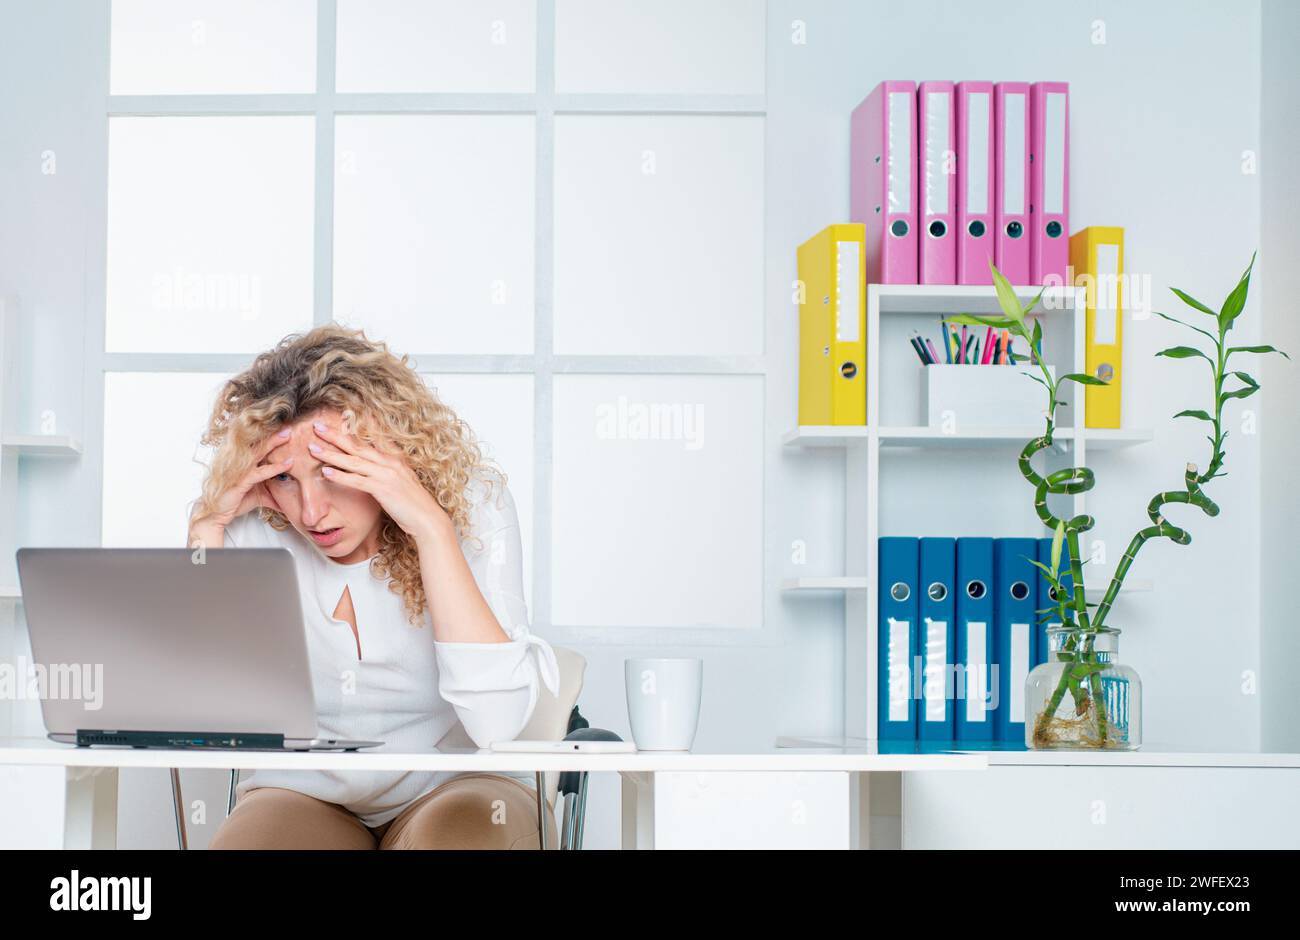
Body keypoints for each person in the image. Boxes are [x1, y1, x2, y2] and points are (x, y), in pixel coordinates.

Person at [187, 324, 559, 849]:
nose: (311, 513)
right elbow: (201, 705)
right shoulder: (252, 524)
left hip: (458, 781)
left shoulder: (472, 505)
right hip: (305, 790)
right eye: (286, 478)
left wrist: (431, 529)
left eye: (334, 469)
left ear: (389, 451)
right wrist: (206, 530)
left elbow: (495, 723)